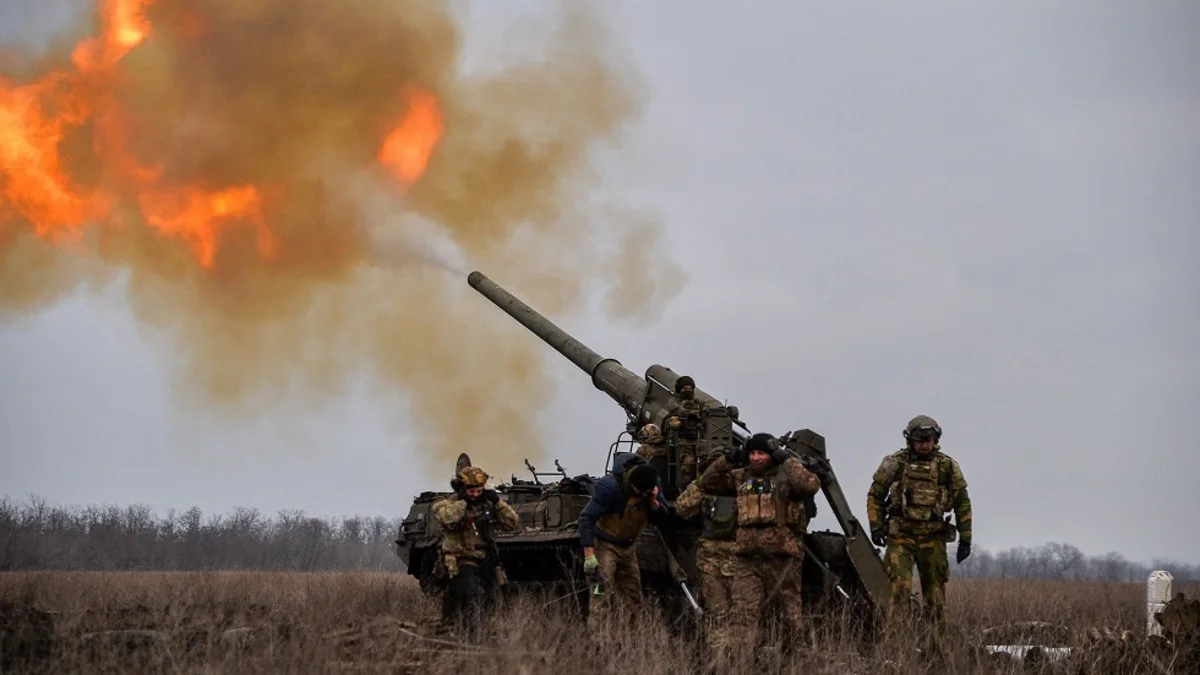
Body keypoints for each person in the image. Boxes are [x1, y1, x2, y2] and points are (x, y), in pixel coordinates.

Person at [697, 433, 822, 655]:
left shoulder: (786, 477)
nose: (755, 458)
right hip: (747, 559)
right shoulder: (740, 477)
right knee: (743, 615)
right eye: (752, 453)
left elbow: (810, 485)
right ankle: (741, 663)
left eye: (761, 453)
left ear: (771, 454)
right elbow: (706, 483)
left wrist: (787, 460)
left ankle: (796, 661)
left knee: (790, 614)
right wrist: (726, 460)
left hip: (783, 557)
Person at [865, 414, 973, 637]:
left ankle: (937, 651)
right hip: (901, 537)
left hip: (933, 538)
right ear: (911, 440)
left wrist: (966, 538)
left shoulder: (947, 467)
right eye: (920, 440)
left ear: (936, 439)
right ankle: (898, 649)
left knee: (935, 597)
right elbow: (875, 495)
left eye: (929, 440)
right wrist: (875, 526)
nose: (925, 445)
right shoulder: (895, 463)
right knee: (899, 591)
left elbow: (962, 502)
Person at [577, 452, 672, 631]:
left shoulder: (652, 486)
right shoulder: (610, 488)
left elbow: (664, 516)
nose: (643, 495)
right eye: (641, 492)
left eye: (647, 492)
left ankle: (630, 641)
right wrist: (589, 555)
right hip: (605, 546)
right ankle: (598, 642)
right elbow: (586, 519)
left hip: (628, 548)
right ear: (632, 485)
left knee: (633, 597)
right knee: (600, 593)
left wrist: (654, 502)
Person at [674, 465, 754, 670]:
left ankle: (721, 664)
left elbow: (681, 508)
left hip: (712, 560)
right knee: (741, 617)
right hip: (739, 559)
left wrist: (700, 483)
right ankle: (738, 664)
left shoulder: (704, 487)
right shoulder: (747, 485)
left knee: (718, 616)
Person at [431, 464, 519, 641]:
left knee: (492, 599)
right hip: (460, 561)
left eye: (479, 491)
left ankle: (475, 634)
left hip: (485, 561)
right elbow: (447, 517)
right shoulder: (447, 504)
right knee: (471, 596)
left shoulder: (487, 504)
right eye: (471, 491)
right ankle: (472, 639)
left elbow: (512, 522)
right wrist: (463, 501)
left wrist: (497, 503)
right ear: (462, 489)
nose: (476, 495)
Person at [664, 375, 708, 487]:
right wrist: (688, 415)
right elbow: (675, 409)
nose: (688, 391)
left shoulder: (699, 403)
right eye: (685, 389)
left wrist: (701, 419)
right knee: (687, 463)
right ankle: (684, 487)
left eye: (690, 388)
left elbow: (706, 412)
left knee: (703, 464)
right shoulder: (674, 402)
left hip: (698, 439)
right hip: (683, 440)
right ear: (680, 390)